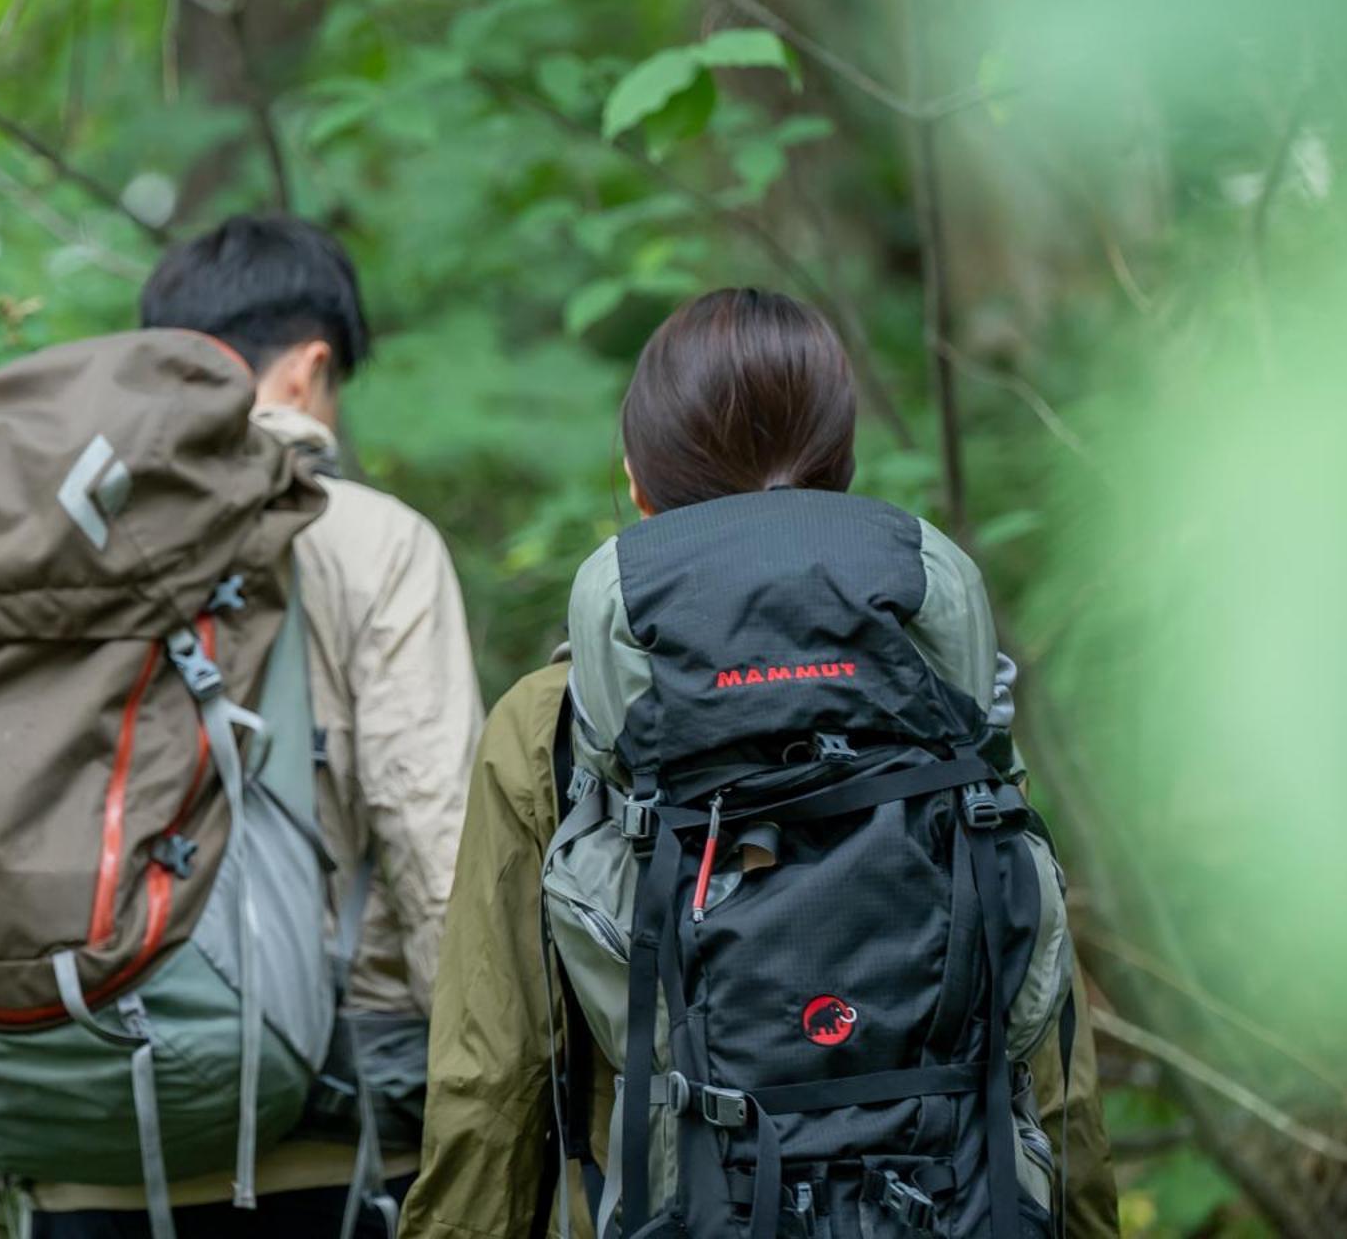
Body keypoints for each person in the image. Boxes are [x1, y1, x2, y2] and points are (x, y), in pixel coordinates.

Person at [400, 289, 1119, 1239]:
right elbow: (1040, 1044)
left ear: (639, 487)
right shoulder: (939, 694)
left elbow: (490, 1076)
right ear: (837, 472)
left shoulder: (557, 722)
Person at [0, 214, 484, 1237]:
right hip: (332, 1149)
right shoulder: (370, 541)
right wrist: (495, 1129)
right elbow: (438, 845)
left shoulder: (15, 552)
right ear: (309, 368)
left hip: (68, 1155)